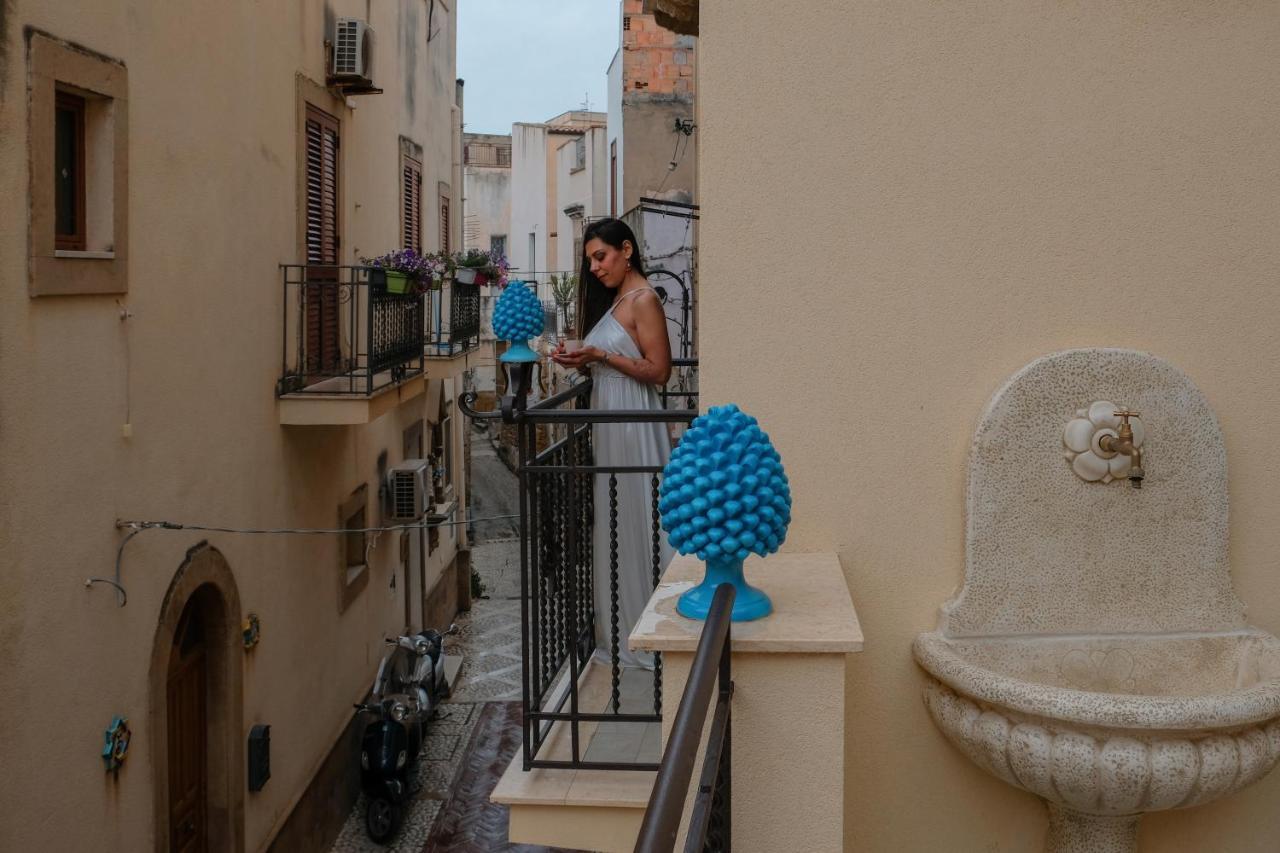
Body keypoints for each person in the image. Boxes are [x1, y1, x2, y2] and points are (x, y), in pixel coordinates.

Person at [551, 218, 673, 670]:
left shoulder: (643, 299)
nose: (595, 268)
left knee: (641, 513)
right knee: (620, 517)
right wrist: (582, 360)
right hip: (612, 421)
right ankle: (630, 626)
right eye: (590, 261)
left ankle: (659, 628)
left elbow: (659, 371)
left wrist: (600, 354)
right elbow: (614, 363)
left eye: (600, 256)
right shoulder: (618, 300)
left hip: (633, 424)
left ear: (627, 249)